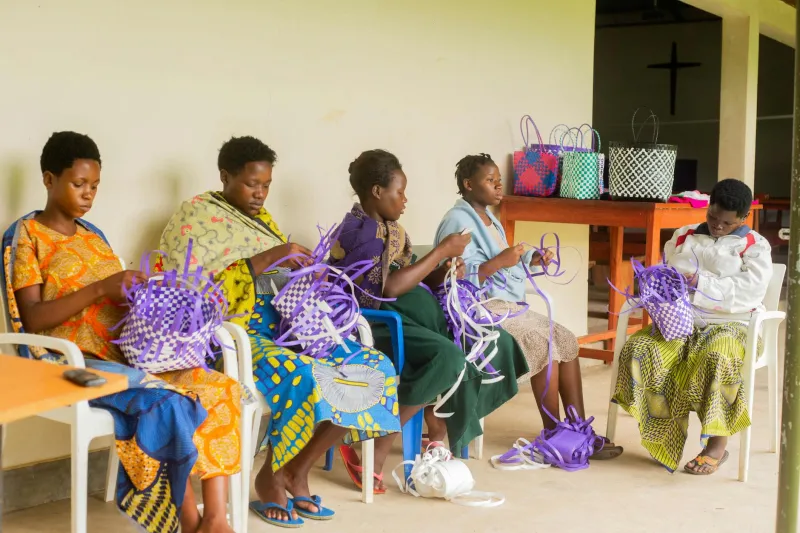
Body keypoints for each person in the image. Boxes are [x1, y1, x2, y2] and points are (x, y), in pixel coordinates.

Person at [2, 131, 242, 533]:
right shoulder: (27, 237)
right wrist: (99, 288)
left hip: (129, 356)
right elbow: (32, 319)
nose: (88, 194)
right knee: (166, 402)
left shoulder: (94, 237)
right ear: (48, 179)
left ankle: (215, 520)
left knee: (220, 388)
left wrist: (148, 295)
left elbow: (119, 296)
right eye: (78, 184)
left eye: (94, 185)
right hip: (71, 365)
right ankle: (189, 521)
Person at [158, 136, 400, 525]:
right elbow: (191, 292)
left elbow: (282, 277)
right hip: (238, 336)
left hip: (292, 326)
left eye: (267, 185)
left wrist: (309, 273)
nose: (260, 194)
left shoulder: (263, 221)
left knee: (374, 369)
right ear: (225, 176)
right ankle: (270, 477)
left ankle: (295, 470)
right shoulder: (195, 217)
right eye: (252, 184)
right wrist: (272, 256)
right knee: (304, 376)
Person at [328, 149, 529, 491]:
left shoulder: (392, 228)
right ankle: (380, 441)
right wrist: (439, 252)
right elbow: (385, 289)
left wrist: (443, 271)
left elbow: (412, 279)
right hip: (378, 325)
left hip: (414, 318)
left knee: (494, 343)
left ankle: (440, 433)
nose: (405, 200)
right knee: (446, 356)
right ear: (377, 191)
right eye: (399, 192)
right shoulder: (360, 232)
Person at [433, 153, 622, 459]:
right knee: (541, 341)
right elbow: (451, 277)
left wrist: (530, 258)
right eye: (490, 181)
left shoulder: (487, 217)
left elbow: (501, 259)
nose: (498, 186)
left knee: (565, 338)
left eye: (498, 181)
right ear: (468, 185)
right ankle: (553, 433)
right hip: (477, 308)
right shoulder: (457, 221)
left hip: (504, 304)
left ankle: (577, 430)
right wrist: (499, 262)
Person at [613, 178, 773, 474]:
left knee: (718, 357)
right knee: (641, 349)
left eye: (726, 222)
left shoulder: (755, 246)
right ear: (708, 205)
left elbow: (751, 291)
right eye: (713, 216)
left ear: (743, 217)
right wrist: (655, 284)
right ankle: (663, 438)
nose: (717, 226)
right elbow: (667, 270)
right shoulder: (683, 235)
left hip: (732, 324)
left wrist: (701, 282)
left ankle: (717, 444)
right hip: (680, 320)